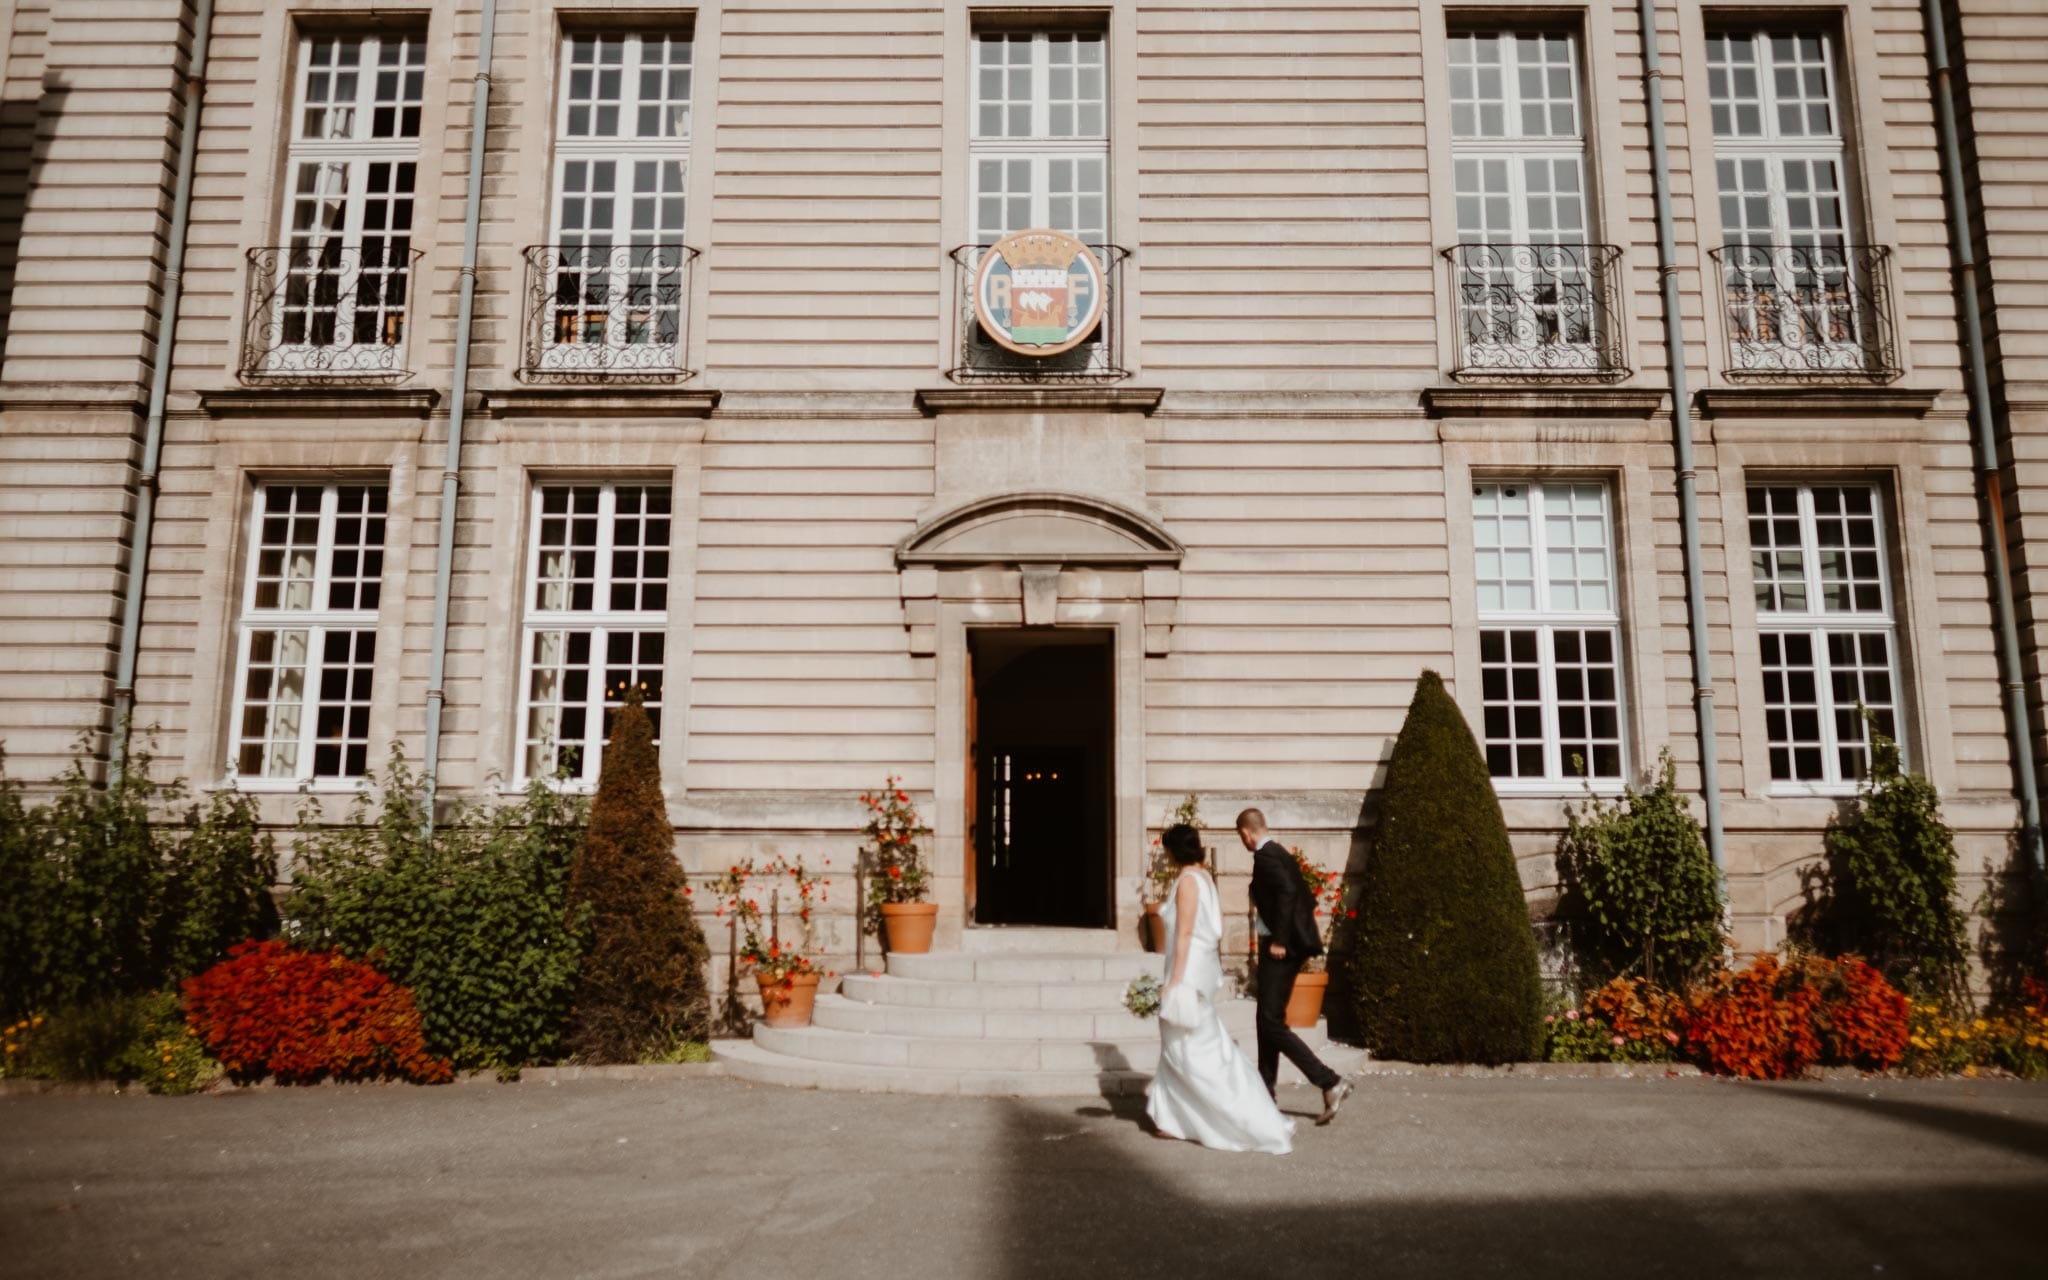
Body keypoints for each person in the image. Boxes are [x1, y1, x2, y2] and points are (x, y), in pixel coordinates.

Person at [1145, 823, 1296, 1155]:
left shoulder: (1187, 881)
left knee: (1189, 1049)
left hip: (1187, 972)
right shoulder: (1204, 877)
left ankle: (1232, 1117)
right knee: (1192, 1045)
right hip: (1198, 968)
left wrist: (1174, 982)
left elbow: (1184, 934)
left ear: (1173, 851)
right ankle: (1176, 1118)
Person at [1240, 807, 1352, 1125]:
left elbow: (1290, 893)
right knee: (1267, 1019)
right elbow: (1306, 896)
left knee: (1270, 1022)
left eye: (1242, 837)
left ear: (1246, 833)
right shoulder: (1280, 852)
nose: (1244, 842)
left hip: (1281, 949)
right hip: (1288, 946)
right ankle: (1265, 1093)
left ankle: (1330, 1081)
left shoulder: (1265, 856)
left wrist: (1279, 939)